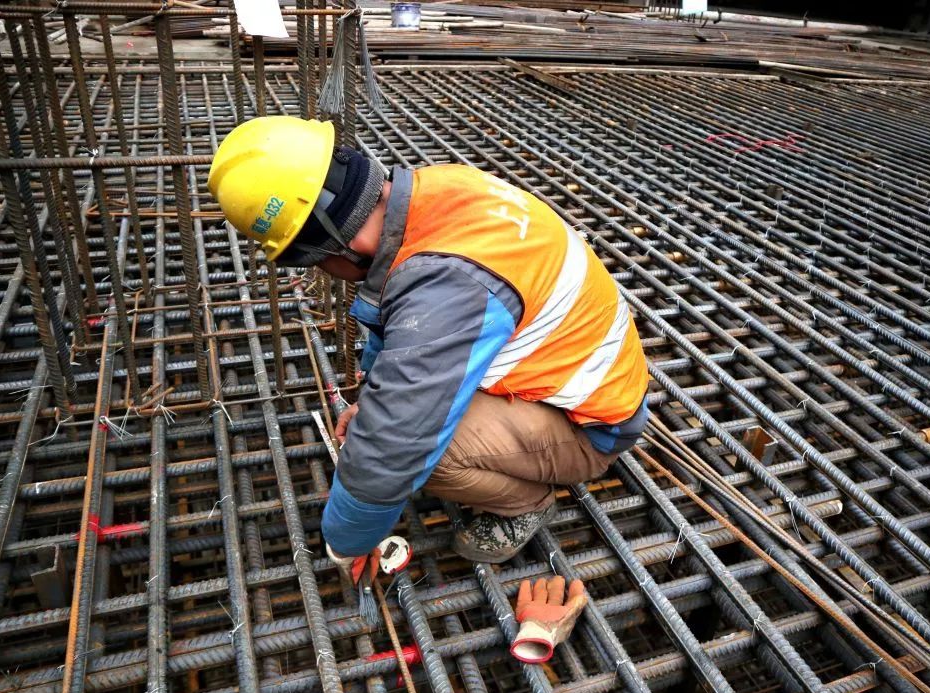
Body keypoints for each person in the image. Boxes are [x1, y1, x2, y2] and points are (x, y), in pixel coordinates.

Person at [208, 115, 648, 569]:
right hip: (573, 373)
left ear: (342, 244)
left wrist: (346, 540)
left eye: (315, 263)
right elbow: (406, 322)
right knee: (393, 422)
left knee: (421, 454)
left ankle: (525, 504)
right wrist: (378, 395)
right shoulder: (433, 190)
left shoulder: (448, 284)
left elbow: (395, 443)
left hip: (592, 426)